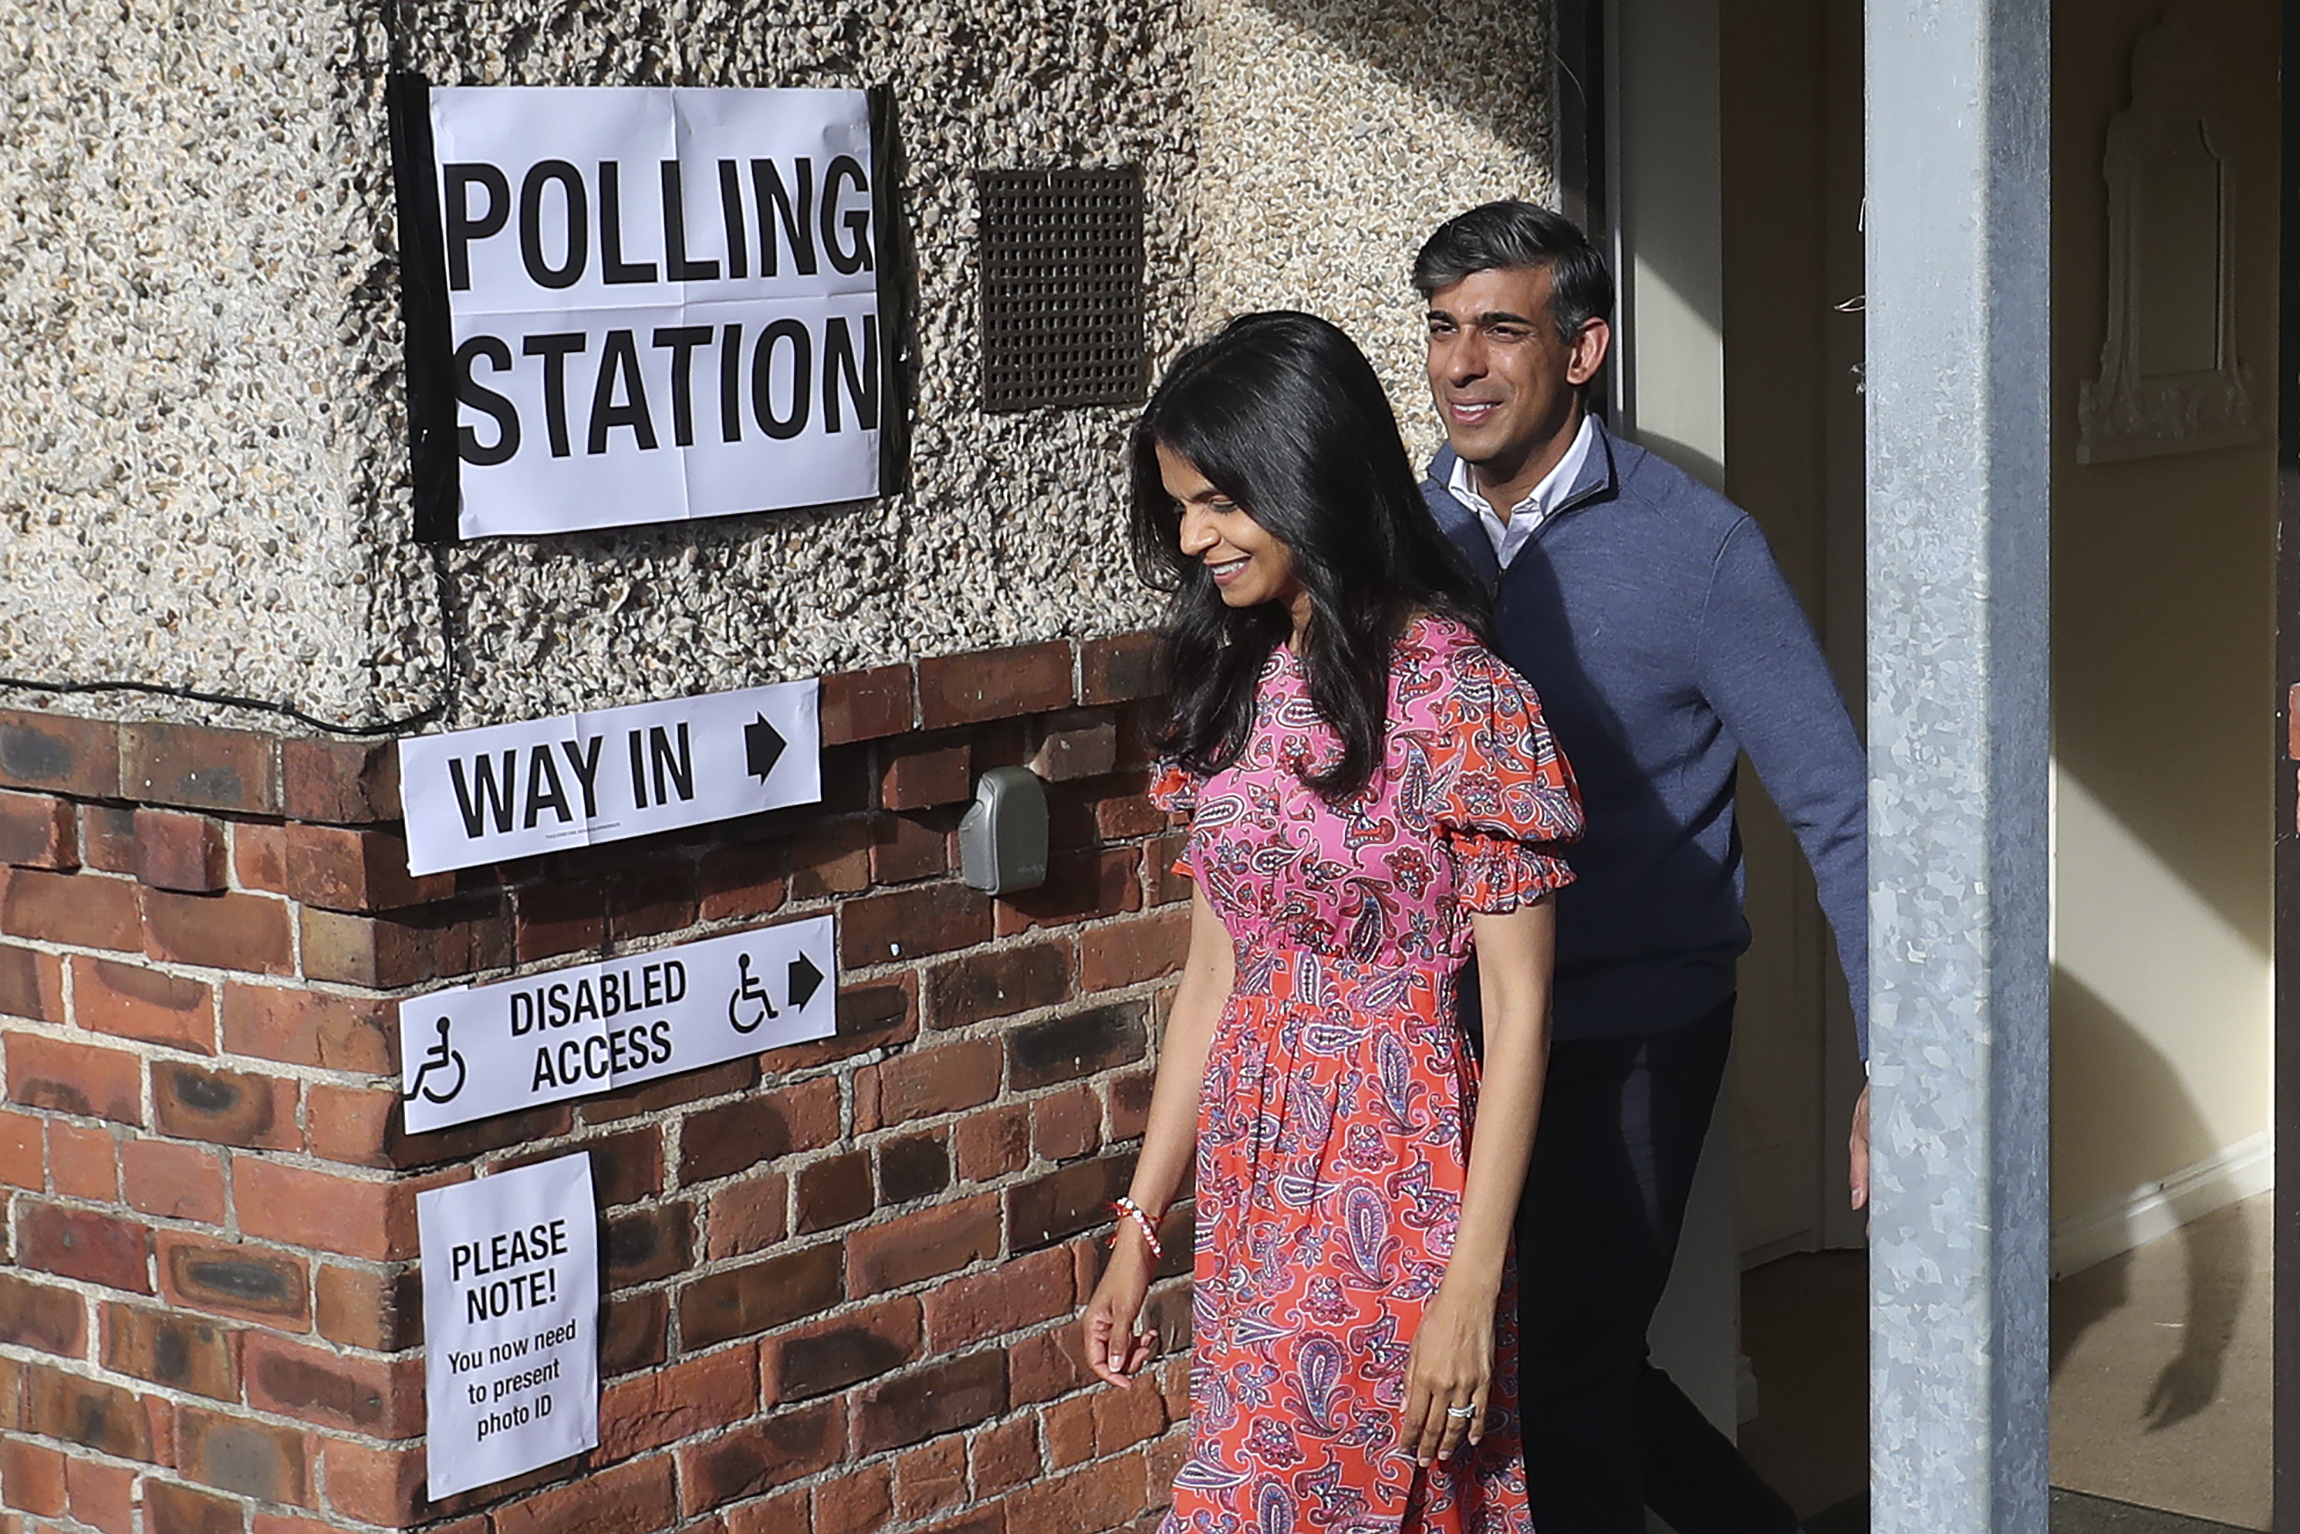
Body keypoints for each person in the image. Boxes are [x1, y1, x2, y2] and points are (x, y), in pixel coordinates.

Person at [1081, 310, 1584, 1533]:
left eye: (1217, 503)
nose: (1193, 537)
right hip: (1255, 1184)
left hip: (1396, 1169)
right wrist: (1143, 1229)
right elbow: (1213, 978)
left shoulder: (1463, 700)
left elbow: (1518, 1015)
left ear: (1305, 476)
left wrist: (1470, 1282)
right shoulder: (1235, 683)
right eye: (1180, 506)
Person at [1412, 200, 1871, 1534]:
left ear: (1584, 347)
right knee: (1557, 1365)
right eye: (1442, 328)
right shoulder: (1404, 541)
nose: (1462, 363)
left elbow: (1838, 804)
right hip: (1456, 1037)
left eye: (1501, 326)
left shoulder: (1701, 552)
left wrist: (1894, 1052)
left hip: (1633, 1031)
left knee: (1556, 1381)